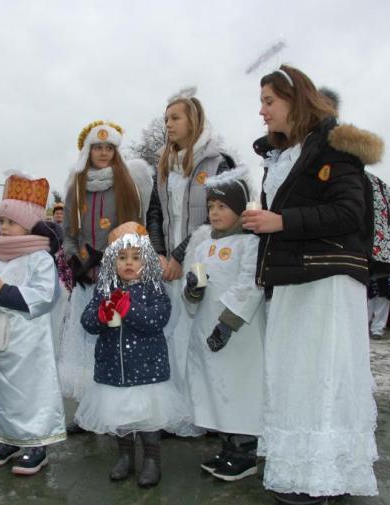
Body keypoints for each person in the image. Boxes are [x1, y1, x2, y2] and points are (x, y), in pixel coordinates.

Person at [242, 65, 379, 504]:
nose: (262, 111)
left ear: (294, 99)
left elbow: (349, 213)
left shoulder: (333, 147)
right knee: (294, 375)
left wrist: (281, 221)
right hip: (294, 277)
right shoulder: (283, 155)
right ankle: (303, 469)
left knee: (322, 374)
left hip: (328, 280)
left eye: (269, 101)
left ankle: (323, 474)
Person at [75, 222, 190, 487]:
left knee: (149, 418)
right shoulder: (104, 288)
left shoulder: (154, 287)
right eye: (122, 257)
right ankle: (125, 456)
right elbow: (87, 321)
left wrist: (129, 309)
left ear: (146, 260)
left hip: (147, 370)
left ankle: (152, 460)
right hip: (113, 369)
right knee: (120, 416)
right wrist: (101, 316)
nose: (129, 263)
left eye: (136, 257)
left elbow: (157, 319)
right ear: (111, 261)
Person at [146, 94, 233, 432]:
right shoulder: (164, 165)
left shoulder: (217, 163)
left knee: (197, 338)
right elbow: (155, 213)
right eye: (166, 118)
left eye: (175, 118)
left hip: (202, 263)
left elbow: (218, 216)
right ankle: (176, 413)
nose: (168, 124)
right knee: (173, 338)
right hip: (168, 265)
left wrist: (181, 254)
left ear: (193, 121)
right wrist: (159, 253)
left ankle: (206, 416)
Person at [0, 175, 66, 476]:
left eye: (12, 221)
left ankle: (36, 443)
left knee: (28, 390)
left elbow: (45, 296)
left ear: (28, 224)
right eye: (2, 221)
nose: (4, 227)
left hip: (28, 340)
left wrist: (5, 291)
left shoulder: (39, 258)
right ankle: (6, 438)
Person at [58, 121, 152, 426]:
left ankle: (117, 411)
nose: (103, 153)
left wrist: (119, 263)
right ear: (88, 151)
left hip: (118, 278)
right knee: (86, 347)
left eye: (109, 148)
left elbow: (135, 230)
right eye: (97, 147)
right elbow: (69, 233)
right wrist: (75, 261)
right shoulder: (75, 186)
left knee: (115, 346)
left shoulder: (126, 185)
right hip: (86, 278)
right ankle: (88, 414)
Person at [182, 168, 266, 481]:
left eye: (222, 207)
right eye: (211, 207)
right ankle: (228, 446)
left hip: (238, 334)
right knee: (216, 388)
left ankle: (246, 451)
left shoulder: (250, 244)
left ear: (241, 210)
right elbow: (194, 287)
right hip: (206, 330)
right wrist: (192, 290)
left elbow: (249, 285)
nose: (215, 213)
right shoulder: (203, 246)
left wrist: (227, 325)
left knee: (238, 387)